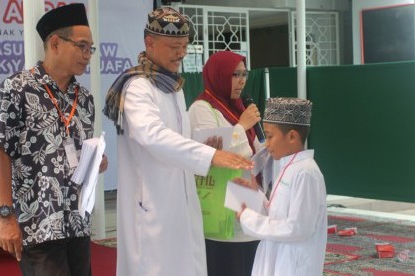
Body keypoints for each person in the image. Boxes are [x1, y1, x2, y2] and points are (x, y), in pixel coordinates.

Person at [103, 7, 253, 276]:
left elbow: (179, 140)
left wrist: (210, 147)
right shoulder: (138, 86)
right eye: (174, 46)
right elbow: (153, 135)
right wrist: (209, 156)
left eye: (184, 46)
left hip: (182, 199)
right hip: (152, 204)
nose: (181, 53)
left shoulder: (173, 88)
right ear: (150, 43)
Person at [0, 4, 108, 276]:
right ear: (55, 43)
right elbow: (0, 152)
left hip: (77, 221)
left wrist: (95, 162)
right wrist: (5, 216)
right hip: (38, 223)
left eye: (91, 48)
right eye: (81, 46)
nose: (87, 55)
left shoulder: (84, 98)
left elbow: (76, 154)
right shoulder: (17, 88)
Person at [188, 51, 263, 276]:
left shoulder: (238, 107)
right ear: (218, 74)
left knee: (248, 257)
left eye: (244, 74)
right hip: (220, 196)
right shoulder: (202, 108)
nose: (241, 80)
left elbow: (252, 154)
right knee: (225, 261)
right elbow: (213, 155)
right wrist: (241, 126)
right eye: (234, 74)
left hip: (245, 193)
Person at [236, 97, 327, 276]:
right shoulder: (289, 166)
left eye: (270, 136)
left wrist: (249, 219)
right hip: (278, 258)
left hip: (293, 265)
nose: (267, 144)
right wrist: (257, 195)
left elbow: (298, 228)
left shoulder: (306, 172)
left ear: (292, 136)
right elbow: (277, 213)